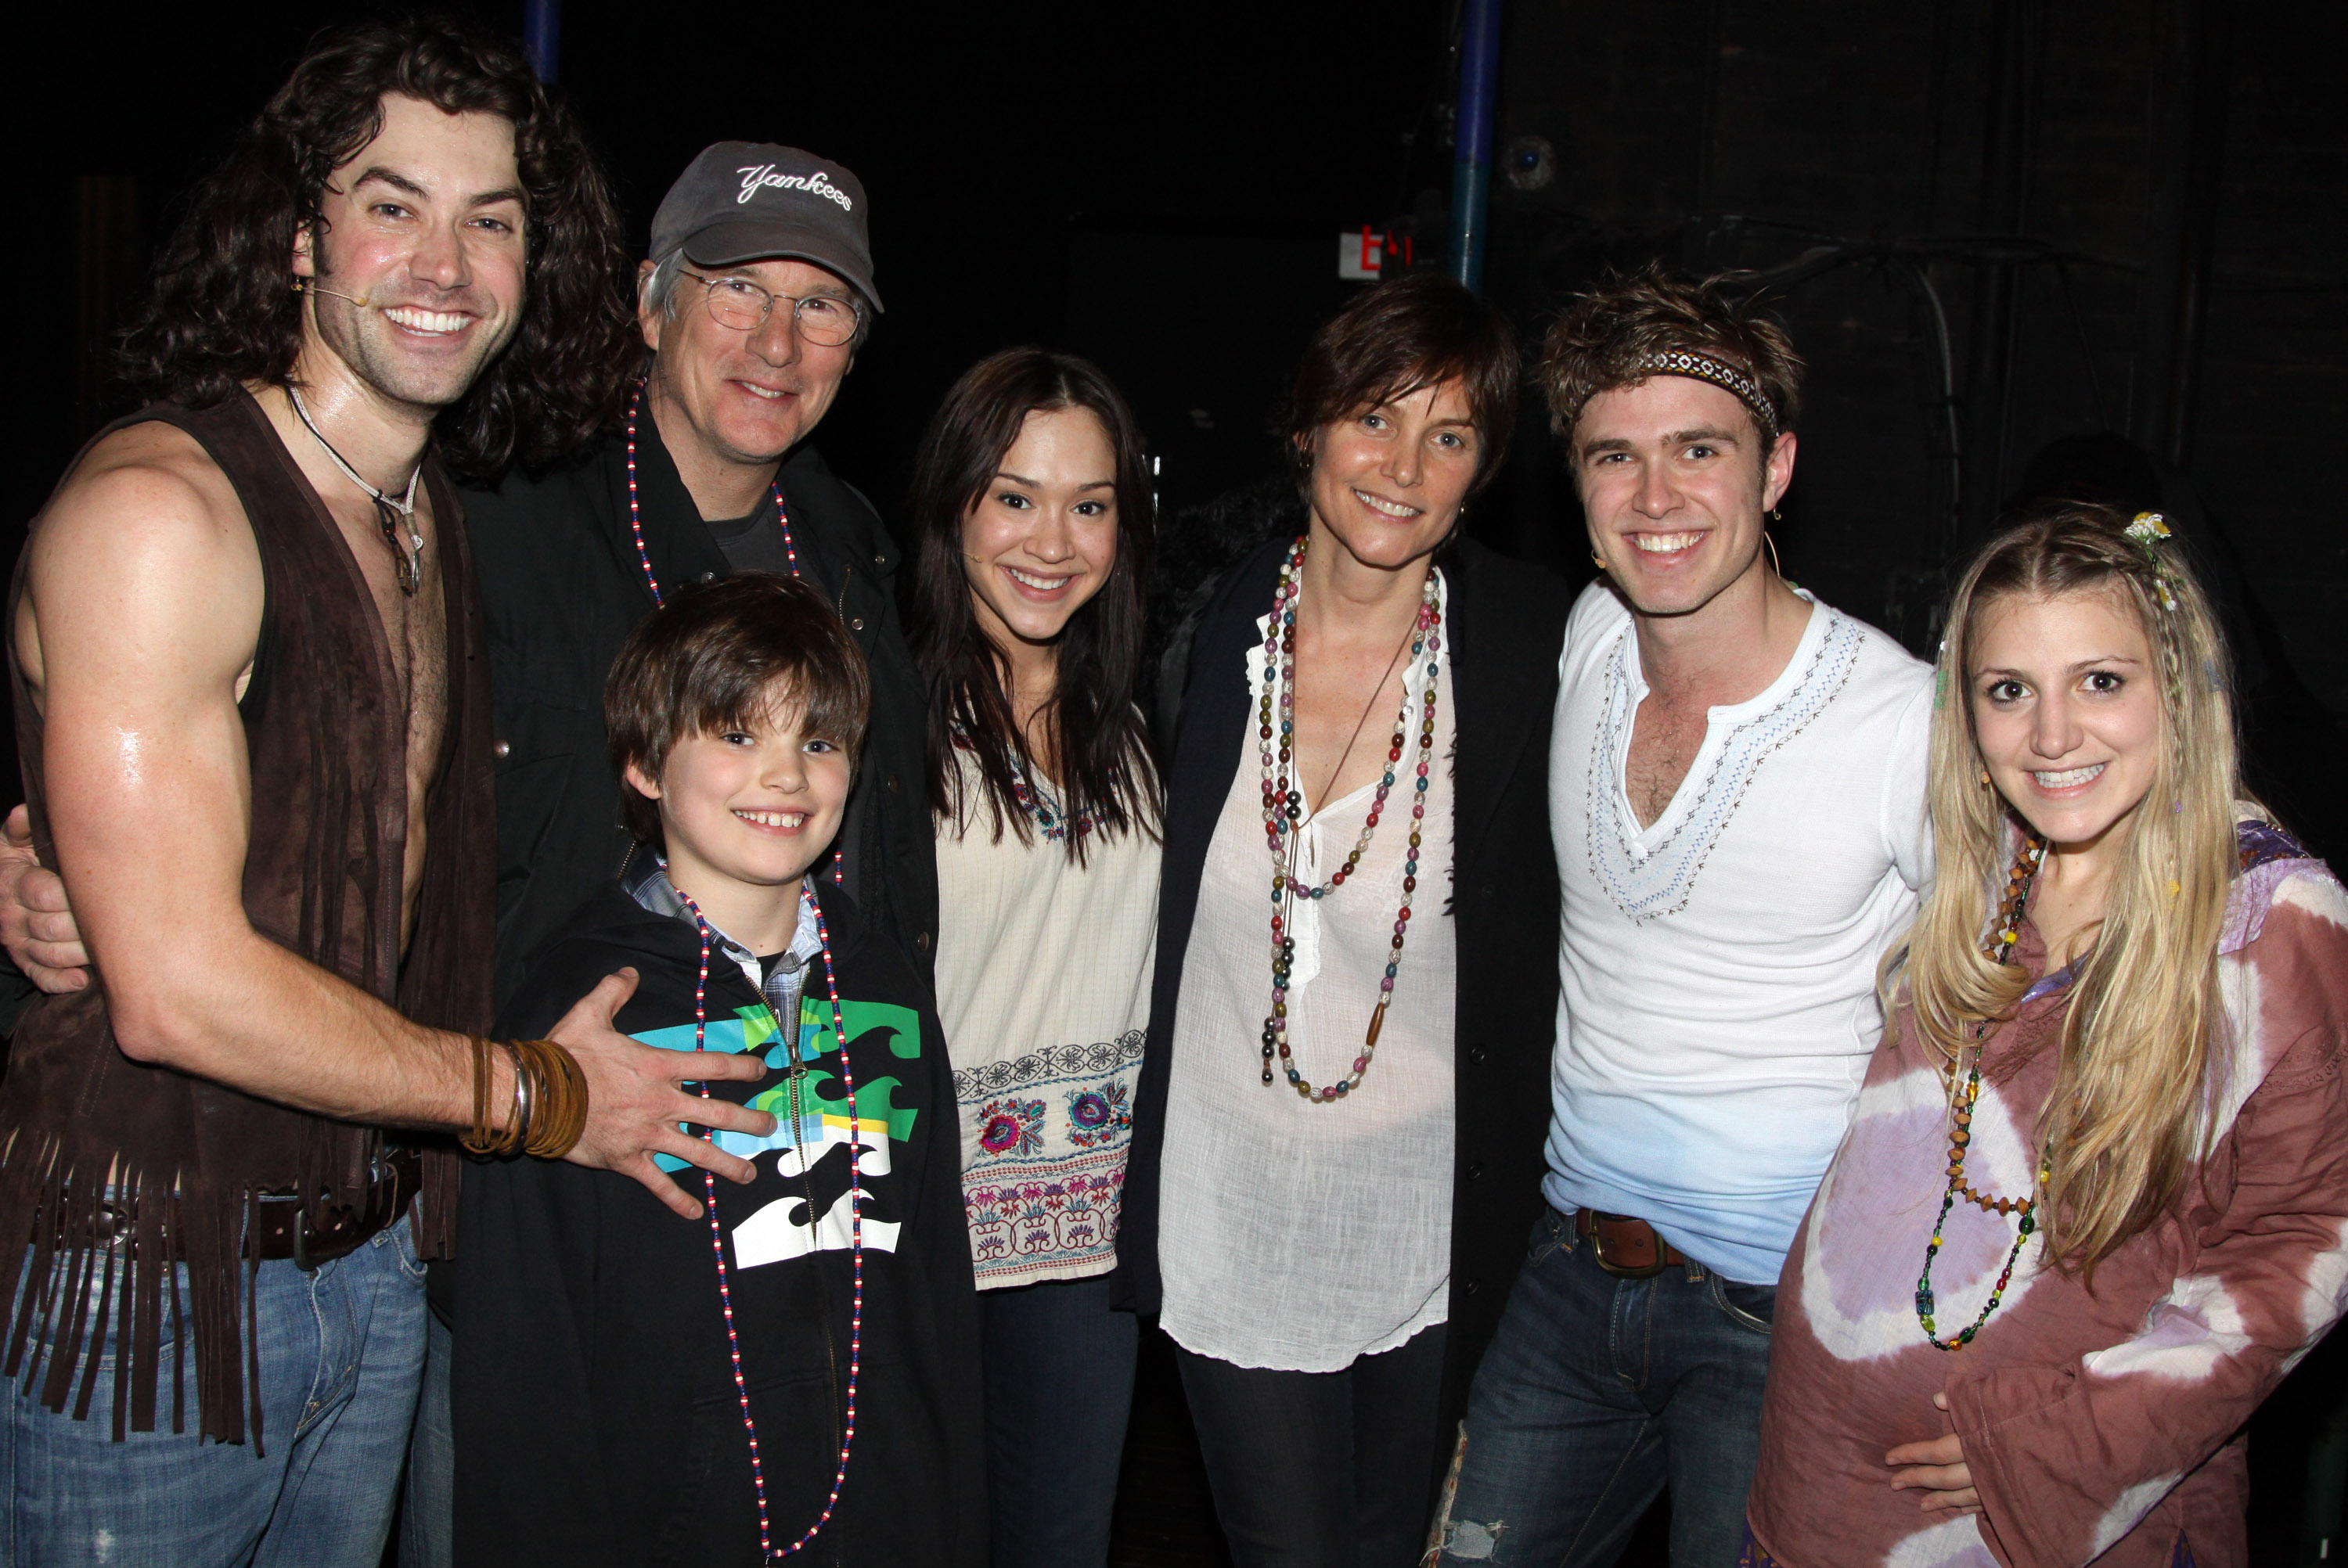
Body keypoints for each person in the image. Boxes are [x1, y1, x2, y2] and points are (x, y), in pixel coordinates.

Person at [0, 134, 935, 1567]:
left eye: (825, 307)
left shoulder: (854, 552)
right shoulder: (482, 511)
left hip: (781, 1208)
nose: (776, 339)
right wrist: (58, 865)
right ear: (647, 300)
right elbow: (258, 746)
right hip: (498, 1217)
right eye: (738, 288)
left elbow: (879, 870)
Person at [1429, 268, 1934, 1566]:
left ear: (1775, 471)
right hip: (1566, 1273)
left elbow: (2049, 1011)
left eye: (1698, 451)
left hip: (1784, 1320)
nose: (1656, 500)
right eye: (1616, 456)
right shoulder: (1587, 637)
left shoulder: (1901, 721)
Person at [1743, 505, 2348, 1568]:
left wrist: (2057, 1450)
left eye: (2101, 682)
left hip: (2047, 1524)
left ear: (2181, 689)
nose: (2054, 735)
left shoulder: (2269, 924)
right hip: (1819, 1497)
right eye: (2009, 691)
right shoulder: (1988, 879)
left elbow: (2303, 1249)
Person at [1122, 272, 1570, 1568]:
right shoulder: (1194, 617)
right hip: (1226, 1200)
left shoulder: (1529, 648)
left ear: (1483, 469)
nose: (1403, 466)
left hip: (1431, 1222)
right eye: (1375, 417)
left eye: (1450, 435)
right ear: (1309, 423)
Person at [452, 572, 984, 1567]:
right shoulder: (581, 1011)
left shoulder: (889, 988)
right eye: (738, 735)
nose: (784, 775)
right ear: (645, 764)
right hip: (664, 1515)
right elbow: (525, 1347)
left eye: (817, 742)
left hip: (883, 1512)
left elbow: (935, 1296)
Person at [904, 349, 1161, 1566]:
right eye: (1014, 496)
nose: (1052, 541)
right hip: (916, 1239)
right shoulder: (882, 722)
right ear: (954, 503)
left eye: (1090, 503)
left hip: (1090, 1254)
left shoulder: (1148, 722)